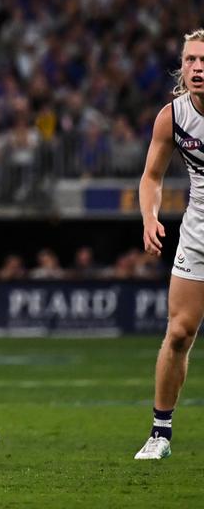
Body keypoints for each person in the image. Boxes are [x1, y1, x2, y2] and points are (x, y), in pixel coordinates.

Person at [134, 28, 204, 460]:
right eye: (192, 61)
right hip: (197, 235)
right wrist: (149, 217)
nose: (198, 69)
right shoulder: (173, 116)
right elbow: (152, 177)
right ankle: (160, 434)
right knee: (178, 333)